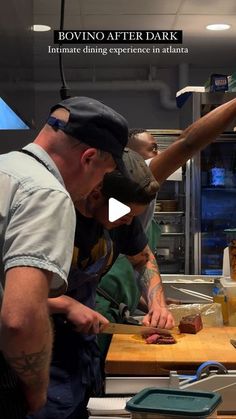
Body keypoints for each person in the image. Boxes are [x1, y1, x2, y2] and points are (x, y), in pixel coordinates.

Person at [0, 95, 129, 418]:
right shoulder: (48, 194)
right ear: (88, 158)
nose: (97, 186)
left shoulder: (6, 169)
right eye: (105, 174)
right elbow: (21, 318)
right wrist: (35, 387)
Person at [28, 148, 174, 419]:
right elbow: (10, 294)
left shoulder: (122, 214)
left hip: (83, 351)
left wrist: (157, 303)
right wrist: (64, 304)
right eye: (125, 215)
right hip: (36, 356)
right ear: (96, 194)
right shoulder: (51, 214)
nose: (129, 222)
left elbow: (142, 259)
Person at [96, 97, 236, 338]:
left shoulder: (131, 212)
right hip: (94, 315)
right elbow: (187, 143)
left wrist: (156, 303)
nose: (159, 154)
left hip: (112, 309)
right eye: (152, 150)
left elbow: (140, 258)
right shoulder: (136, 175)